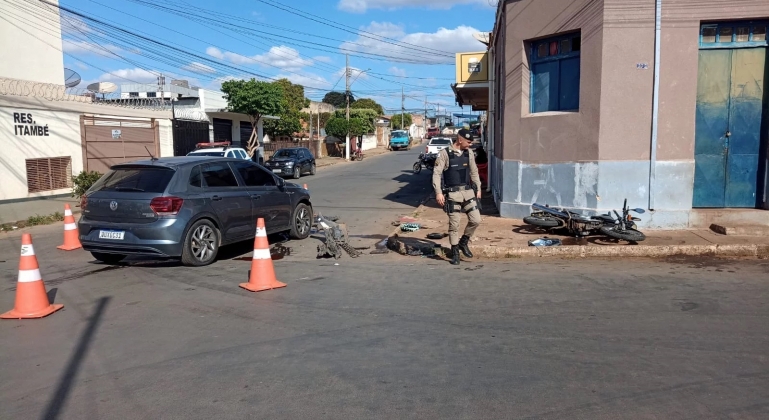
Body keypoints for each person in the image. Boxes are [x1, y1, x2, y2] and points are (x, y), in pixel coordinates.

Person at [432, 128, 482, 265]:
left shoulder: (469, 153)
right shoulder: (445, 154)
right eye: (468, 141)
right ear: (460, 140)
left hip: (468, 192)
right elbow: (436, 174)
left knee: (476, 219)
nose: (470, 144)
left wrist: (478, 188)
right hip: (453, 194)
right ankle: (455, 252)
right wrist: (438, 192)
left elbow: (474, 172)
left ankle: (463, 242)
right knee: (454, 225)